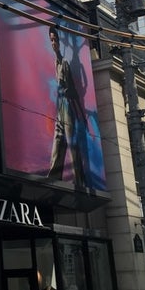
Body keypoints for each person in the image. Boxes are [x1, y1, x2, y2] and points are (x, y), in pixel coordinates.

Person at [47, 25, 87, 186]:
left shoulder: (65, 62)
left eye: (55, 40)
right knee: (58, 140)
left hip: (67, 105)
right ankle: (53, 177)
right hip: (60, 106)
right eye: (51, 40)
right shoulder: (55, 62)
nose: (53, 43)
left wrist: (81, 113)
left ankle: (79, 180)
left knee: (71, 143)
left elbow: (75, 88)